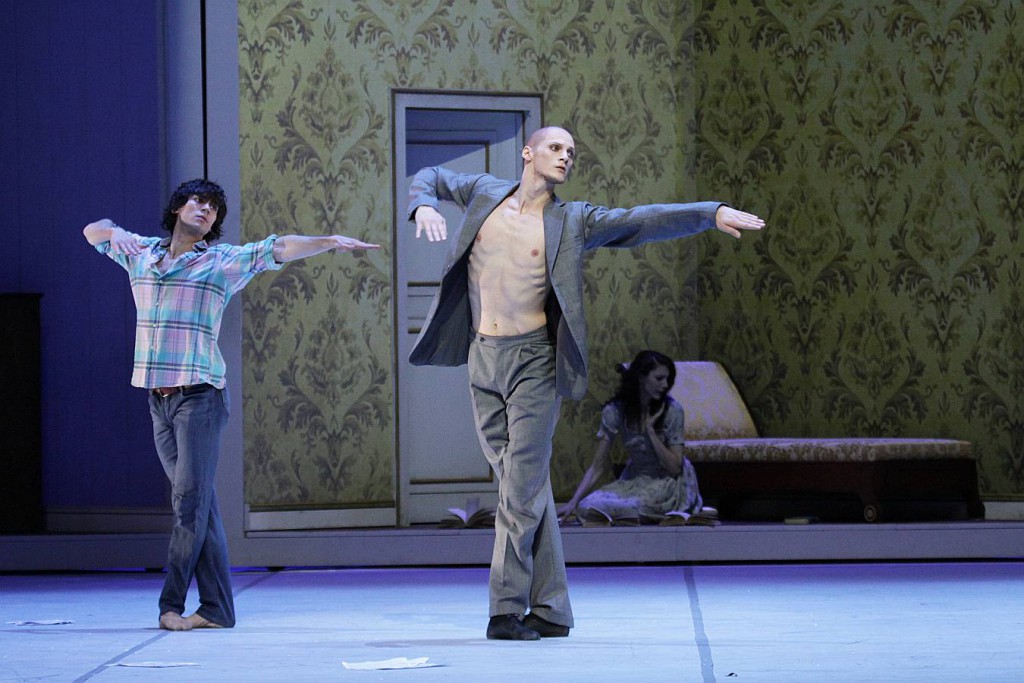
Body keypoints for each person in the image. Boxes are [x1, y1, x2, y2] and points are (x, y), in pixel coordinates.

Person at [406, 126, 764, 640]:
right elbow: (430, 175)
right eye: (556, 148)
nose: (566, 157)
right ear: (528, 153)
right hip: (482, 357)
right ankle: (552, 609)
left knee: (520, 488)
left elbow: (640, 221)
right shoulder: (484, 193)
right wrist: (423, 206)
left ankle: (506, 609)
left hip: (534, 361)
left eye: (572, 152)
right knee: (521, 489)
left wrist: (709, 213)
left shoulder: (572, 220)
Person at [83, 178, 379, 632]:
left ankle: (170, 605)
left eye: (214, 209)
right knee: (200, 505)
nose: (205, 211)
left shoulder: (221, 261)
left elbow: (276, 248)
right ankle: (217, 609)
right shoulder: (140, 251)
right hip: (157, 398)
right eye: (198, 202)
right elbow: (91, 231)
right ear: (179, 207)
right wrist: (114, 230)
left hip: (199, 396)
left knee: (188, 505)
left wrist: (327, 242)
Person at [557, 351, 702, 525]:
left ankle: (641, 517)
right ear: (641, 377)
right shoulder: (616, 411)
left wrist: (650, 431)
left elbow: (674, 468)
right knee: (587, 506)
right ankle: (624, 518)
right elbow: (597, 467)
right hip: (635, 479)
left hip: (667, 482)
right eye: (659, 379)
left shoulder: (672, 410)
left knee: (631, 507)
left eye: (667, 380)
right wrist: (573, 502)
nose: (665, 385)